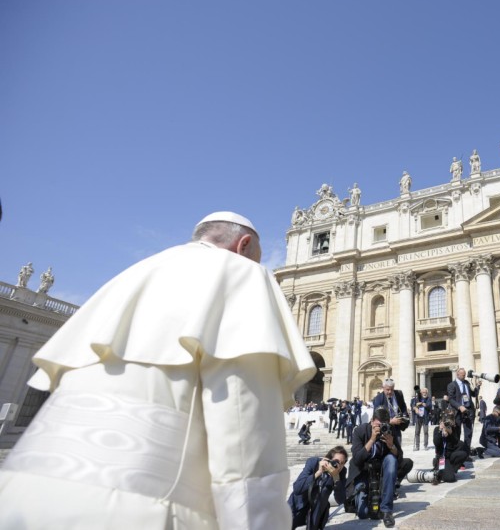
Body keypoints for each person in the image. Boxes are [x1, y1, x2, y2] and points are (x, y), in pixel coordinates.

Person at [0, 211, 316, 529]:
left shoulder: (135, 272)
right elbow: (241, 414)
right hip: (136, 512)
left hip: (21, 498)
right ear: (243, 245)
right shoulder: (241, 272)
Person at [346, 407, 413, 528]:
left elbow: (399, 458)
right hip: (363, 469)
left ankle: (387, 510)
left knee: (392, 460)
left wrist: (391, 446)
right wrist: (372, 439)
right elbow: (357, 459)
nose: (381, 428)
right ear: (371, 421)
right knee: (363, 513)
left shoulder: (389, 430)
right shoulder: (360, 430)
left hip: (381, 467)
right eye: (378, 425)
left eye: (384, 425)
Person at [288, 446, 348, 530]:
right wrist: (318, 473)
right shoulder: (314, 463)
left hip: (317, 511)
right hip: (299, 506)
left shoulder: (341, 472)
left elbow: (340, 500)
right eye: (336, 461)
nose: (339, 466)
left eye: (342, 463)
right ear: (328, 459)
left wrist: (336, 479)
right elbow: (297, 488)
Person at [447, 367, 480, 455]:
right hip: (458, 412)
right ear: (457, 374)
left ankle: (466, 452)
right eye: (463, 375)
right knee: (457, 432)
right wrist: (459, 406)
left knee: (468, 433)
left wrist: (477, 386)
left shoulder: (467, 383)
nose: (464, 376)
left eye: (465, 375)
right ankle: (458, 452)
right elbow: (451, 399)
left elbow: (474, 394)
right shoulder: (452, 385)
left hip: (468, 410)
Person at [432, 414, 469, 482]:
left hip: (450, 455)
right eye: (446, 423)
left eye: (449, 423)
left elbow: (456, 442)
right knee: (450, 479)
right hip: (442, 457)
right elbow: (436, 443)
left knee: (464, 454)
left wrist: (451, 433)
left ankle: (451, 469)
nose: (447, 425)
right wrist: (440, 431)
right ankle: (438, 466)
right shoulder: (437, 429)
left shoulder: (452, 429)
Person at [372, 378, 410, 444]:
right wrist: (390, 421)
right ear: (383, 388)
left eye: (392, 389)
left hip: (397, 428)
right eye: (387, 389)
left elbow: (403, 406)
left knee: (397, 448)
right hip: (384, 429)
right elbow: (376, 417)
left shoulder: (399, 394)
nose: (390, 392)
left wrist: (404, 416)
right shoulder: (378, 398)